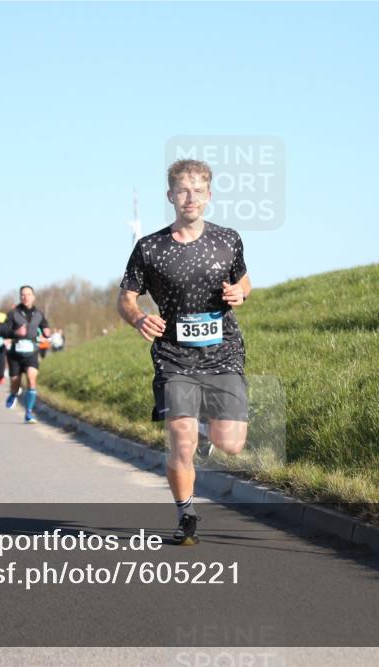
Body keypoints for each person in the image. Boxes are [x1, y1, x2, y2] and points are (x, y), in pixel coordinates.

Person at [117, 159, 251, 545]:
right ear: (170, 196)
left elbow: (244, 282)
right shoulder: (150, 248)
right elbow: (125, 298)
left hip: (222, 349)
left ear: (209, 196)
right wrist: (138, 318)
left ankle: (209, 429)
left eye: (197, 190)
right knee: (181, 437)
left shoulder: (229, 239)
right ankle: (186, 515)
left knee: (231, 443)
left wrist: (239, 293)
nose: (189, 197)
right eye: (182, 190)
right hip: (174, 354)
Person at [3, 285, 52, 424]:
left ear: (33, 297)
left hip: (31, 352)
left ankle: (29, 413)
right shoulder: (13, 313)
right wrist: (15, 333)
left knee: (31, 379)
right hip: (15, 354)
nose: (26, 297)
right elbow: (3, 331)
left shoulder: (39, 313)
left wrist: (47, 331)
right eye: (23, 295)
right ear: (20, 297)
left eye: (28, 294)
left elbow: (45, 326)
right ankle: (13, 393)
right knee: (15, 383)